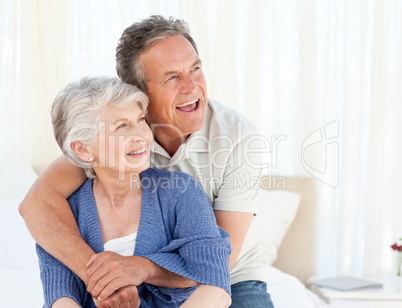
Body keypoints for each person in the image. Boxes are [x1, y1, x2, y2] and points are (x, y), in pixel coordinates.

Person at [19, 16, 274, 307]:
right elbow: (37, 203)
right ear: (139, 91)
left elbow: (217, 264)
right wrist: (103, 278)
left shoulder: (238, 137)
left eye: (195, 69)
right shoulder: (117, 130)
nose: (192, 86)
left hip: (232, 274)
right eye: (172, 77)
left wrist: (139, 269)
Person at [38, 76, 232, 308]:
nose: (142, 134)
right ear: (83, 149)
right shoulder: (65, 214)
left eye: (140, 119)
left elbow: (216, 288)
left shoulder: (181, 192)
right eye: (122, 126)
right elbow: (61, 298)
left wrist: (143, 268)